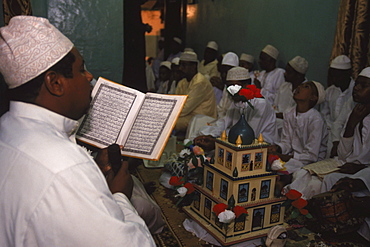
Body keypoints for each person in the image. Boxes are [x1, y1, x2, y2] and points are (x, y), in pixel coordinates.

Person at [0, 16, 155, 246]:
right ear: (55, 83)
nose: (90, 77)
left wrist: (95, 173)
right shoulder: (65, 166)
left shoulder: (6, 127)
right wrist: (119, 196)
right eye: (81, 70)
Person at [194, 67, 278, 152]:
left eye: (234, 86)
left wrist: (216, 141)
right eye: (229, 86)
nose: (231, 91)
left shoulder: (260, 104)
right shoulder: (236, 100)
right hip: (235, 142)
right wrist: (209, 135)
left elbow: (248, 136)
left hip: (259, 148)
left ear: (247, 85)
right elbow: (224, 122)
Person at [269, 81, 328, 195]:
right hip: (292, 157)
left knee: (299, 173)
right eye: (301, 84)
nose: (299, 87)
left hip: (310, 161)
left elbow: (311, 155)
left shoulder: (316, 119)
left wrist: (285, 157)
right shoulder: (289, 113)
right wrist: (278, 148)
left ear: (313, 97)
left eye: (306, 87)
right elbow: (286, 142)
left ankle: (282, 188)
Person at [321, 55, 355, 158]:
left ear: (348, 74)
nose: (334, 79)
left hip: (349, 135)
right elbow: (324, 114)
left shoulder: (356, 92)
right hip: (330, 132)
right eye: (332, 75)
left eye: (338, 75)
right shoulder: (329, 91)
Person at [174, 51, 217, 133]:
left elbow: (184, 109)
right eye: (180, 65)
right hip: (188, 116)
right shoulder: (182, 82)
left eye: (184, 65)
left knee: (170, 123)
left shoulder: (200, 82)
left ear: (194, 66)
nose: (180, 68)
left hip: (202, 119)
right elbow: (176, 103)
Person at [273, 56, 308, 136]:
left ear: (298, 75)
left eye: (288, 72)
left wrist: (281, 115)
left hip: (297, 128)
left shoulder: (308, 91)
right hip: (278, 122)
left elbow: (300, 116)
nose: (284, 74)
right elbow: (275, 106)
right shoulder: (284, 86)